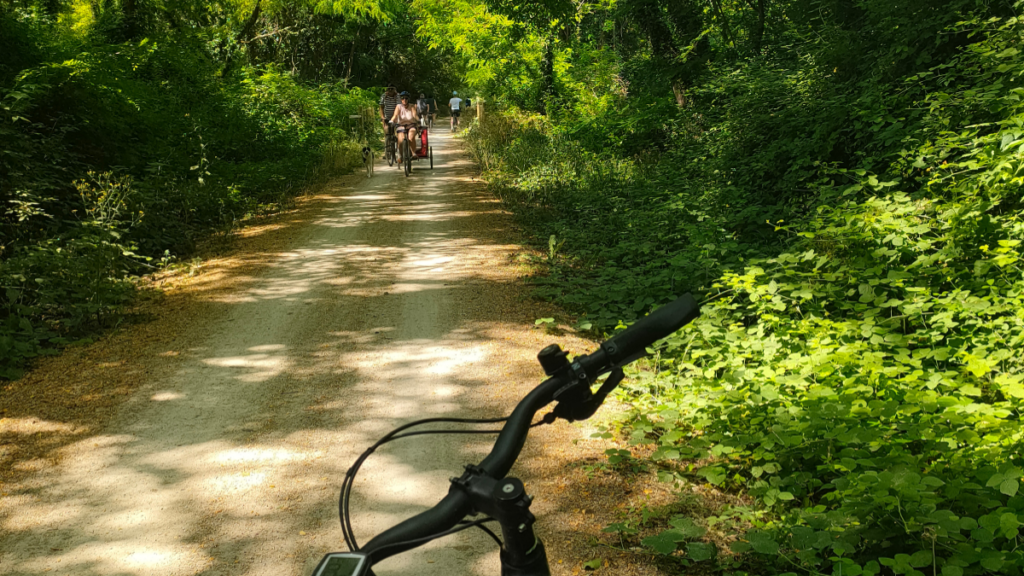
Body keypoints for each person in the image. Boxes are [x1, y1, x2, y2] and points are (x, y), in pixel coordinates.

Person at [389, 92, 421, 163]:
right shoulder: (398, 106)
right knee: (400, 139)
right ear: (400, 99)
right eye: (402, 98)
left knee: (411, 137)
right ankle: (400, 155)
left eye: (406, 98)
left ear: (408, 99)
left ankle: (413, 153)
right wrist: (391, 121)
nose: (404, 100)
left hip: (411, 125)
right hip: (401, 125)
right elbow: (395, 115)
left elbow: (415, 115)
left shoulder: (412, 106)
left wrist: (418, 120)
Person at [379, 85, 399, 159]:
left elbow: (399, 107)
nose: (390, 90)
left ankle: (399, 149)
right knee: (386, 132)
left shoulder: (397, 96)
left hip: (396, 118)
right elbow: (381, 107)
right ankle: (386, 152)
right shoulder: (384, 96)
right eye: (389, 89)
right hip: (387, 118)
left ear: (395, 89)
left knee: (398, 132)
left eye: (392, 89)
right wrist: (382, 117)